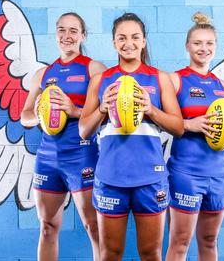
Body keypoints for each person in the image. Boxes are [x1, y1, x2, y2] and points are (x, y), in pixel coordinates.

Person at [79, 13, 184, 261]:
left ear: (144, 41)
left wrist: (150, 109)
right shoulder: (100, 80)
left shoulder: (160, 78)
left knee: (150, 254)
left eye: (135, 37)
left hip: (150, 178)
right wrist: (103, 109)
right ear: (114, 42)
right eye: (122, 38)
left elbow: (178, 127)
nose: (129, 43)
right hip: (110, 176)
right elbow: (84, 130)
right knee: (110, 254)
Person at [21, 12, 106, 261]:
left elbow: (108, 112)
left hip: (82, 155)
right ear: (56, 33)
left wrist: (73, 110)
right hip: (48, 156)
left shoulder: (94, 68)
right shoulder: (43, 74)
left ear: (83, 35)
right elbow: (25, 116)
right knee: (47, 227)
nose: (67, 36)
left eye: (73, 31)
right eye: (62, 30)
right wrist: (41, 113)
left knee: (94, 227)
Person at [165, 12, 224, 261]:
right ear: (187, 46)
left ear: (215, 47)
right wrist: (189, 124)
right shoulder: (175, 80)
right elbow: (158, 121)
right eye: (197, 43)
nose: (203, 49)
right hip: (186, 173)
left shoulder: (221, 84)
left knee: (209, 241)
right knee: (180, 243)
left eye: (209, 43)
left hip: (218, 172)